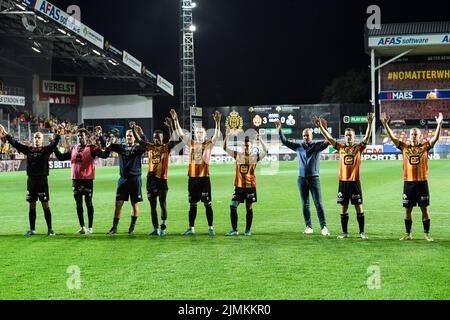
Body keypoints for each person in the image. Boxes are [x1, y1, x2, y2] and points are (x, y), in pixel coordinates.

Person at [381, 112, 443, 242]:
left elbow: (435, 138)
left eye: (416, 134)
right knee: (407, 210)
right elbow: (393, 138)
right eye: (412, 134)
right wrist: (386, 125)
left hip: (422, 182)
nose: (414, 136)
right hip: (408, 183)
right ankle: (408, 234)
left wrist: (439, 124)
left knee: (424, 210)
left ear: (420, 136)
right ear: (409, 136)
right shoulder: (404, 147)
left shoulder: (425, 147)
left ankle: (426, 234)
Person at [314, 114, 374, 240]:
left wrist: (369, 123)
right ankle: (344, 232)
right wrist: (321, 127)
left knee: (359, 206)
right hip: (343, 182)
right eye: (346, 135)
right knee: (344, 207)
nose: (348, 137)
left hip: (355, 182)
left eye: (350, 135)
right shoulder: (340, 147)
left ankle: (362, 232)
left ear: (354, 136)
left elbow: (367, 137)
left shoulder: (358, 148)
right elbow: (329, 138)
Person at [0, 124, 61, 236]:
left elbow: (54, 143)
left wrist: (58, 134)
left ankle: (50, 229)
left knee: (45, 205)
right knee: (31, 205)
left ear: (42, 139)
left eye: (39, 137)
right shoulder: (29, 150)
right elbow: (16, 144)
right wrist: (6, 134)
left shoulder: (46, 149)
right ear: (33, 139)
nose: (37, 139)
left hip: (42, 181)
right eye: (35, 137)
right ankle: (32, 229)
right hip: (31, 181)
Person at [170, 109, 222, 236]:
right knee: (192, 204)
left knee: (207, 203)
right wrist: (176, 120)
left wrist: (217, 122)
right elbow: (181, 134)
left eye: (201, 132)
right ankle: (191, 228)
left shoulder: (208, 143)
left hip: (204, 178)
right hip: (192, 178)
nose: (199, 133)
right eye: (197, 132)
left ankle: (210, 227)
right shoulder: (191, 143)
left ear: (204, 134)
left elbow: (217, 136)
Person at [275, 120, 330, 236]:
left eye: (307, 135)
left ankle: (324, 227)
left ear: (312, 136)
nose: (305, 137)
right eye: (304, 135)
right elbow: (284, 142)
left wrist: (324, 128)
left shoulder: (317, 146)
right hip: (301, 179)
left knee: (318, 204)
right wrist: (279, 130)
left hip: (314, 178)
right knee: (305, 204)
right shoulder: (298, 146)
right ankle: (308, 226)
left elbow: (329, 141)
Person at [54, 127, 109, 235]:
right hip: (76, 180)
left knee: (88, 203)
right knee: (78, 204)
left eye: (82, 135)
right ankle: (82, 227)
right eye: (78, 136)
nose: (80, 137)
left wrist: (102, 137)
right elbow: (61, 157)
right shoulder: (74, 148)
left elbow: (105, 155)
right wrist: (54, 146)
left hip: (87, 180)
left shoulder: (92, 148)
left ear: (86, 137)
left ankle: (90, 227)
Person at [132, 118, 179, 236]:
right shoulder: (149, 147)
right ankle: (155, 229)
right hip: (151, 180)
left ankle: (163, 227)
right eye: (154, 137)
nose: (156, 139)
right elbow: (138, 139)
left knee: (162, 203)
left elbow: (174, 139)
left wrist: (170, 126)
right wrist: (133, 129)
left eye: (158, 137)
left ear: (162, 138)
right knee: (153, 206)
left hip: (162, 180)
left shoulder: (166, 147)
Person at [223, 132, 268, 236]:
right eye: (244, 145)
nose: (246, 147)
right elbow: (225, 147)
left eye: (247, 145)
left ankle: (247, 230)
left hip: (250, 187)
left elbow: (266, 151)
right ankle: (234, 230)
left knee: (249, 208)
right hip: (238, 186)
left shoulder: (254, 157)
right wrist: (227, 136)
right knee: (232, 206)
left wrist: (260, 139)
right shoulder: (237, 155)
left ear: (251, 146)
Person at [106, 126, 147, 235]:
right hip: (123, 180)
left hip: (135, 179)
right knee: (118, 204)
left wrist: (141, 133)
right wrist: (102, 136)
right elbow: (108, 145)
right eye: (127, 136)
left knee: (134, 204)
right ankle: (114, 227)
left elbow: (146, 144)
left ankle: (132, 227)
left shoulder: (138, 148)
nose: (129, 137)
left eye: (131, 135)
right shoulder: (121, 147)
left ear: (135, 137)